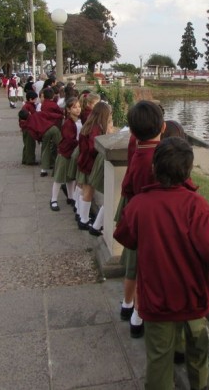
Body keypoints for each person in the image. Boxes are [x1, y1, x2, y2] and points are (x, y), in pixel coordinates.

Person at [114, 137, 209, 390]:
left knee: (158, 358)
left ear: (154, 168)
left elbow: (125, 236)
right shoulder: (196, 205)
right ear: (188, 171)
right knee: (198, 355)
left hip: (156, 299)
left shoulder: (141, 204)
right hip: (192, 298)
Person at [114, 100, 166, 339]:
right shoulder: (157, 158)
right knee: (145, 270)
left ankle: (127, 305)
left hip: (134, 213)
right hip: (149, 221)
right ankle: (137, 315)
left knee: (132, 266)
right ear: (163, 127)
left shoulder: (138, 148)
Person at [76, 101, 112, 230]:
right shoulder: (96, 128)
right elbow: (93, 148)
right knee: (88, 192)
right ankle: (84, 220)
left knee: (84, 191)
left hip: (84, 162)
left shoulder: (89, 124)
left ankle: (82, 216)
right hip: (89, 164)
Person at [50, 97, 82, 211]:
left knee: (70, 177)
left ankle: (70, 197)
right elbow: (69, 139)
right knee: (59, 178)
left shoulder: (78, 120)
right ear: (68, 109)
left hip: (72, 152)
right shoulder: (68, 123)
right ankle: (53, 199)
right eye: (74, 107)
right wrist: (81, 143)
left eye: (79, 106)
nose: (78, 109)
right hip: (65, 152)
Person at [38, 87, 64, 177]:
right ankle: (57, 166)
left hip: (45, 128)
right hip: (54, 127)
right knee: (60, 146)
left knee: (45, 148)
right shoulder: (54, 105)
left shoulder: (43, 105)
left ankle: (44, 169)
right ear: (53, 96)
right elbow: (60, 113)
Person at [19, 91, 39, 165]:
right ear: (30, 99)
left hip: (26, 127)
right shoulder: (28, 106)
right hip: (28, 127)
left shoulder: (27, 105)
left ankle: (25, 158)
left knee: (27, 144)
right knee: (30, 144)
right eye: (35, 99)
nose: (36, 100)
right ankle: (30, 160)